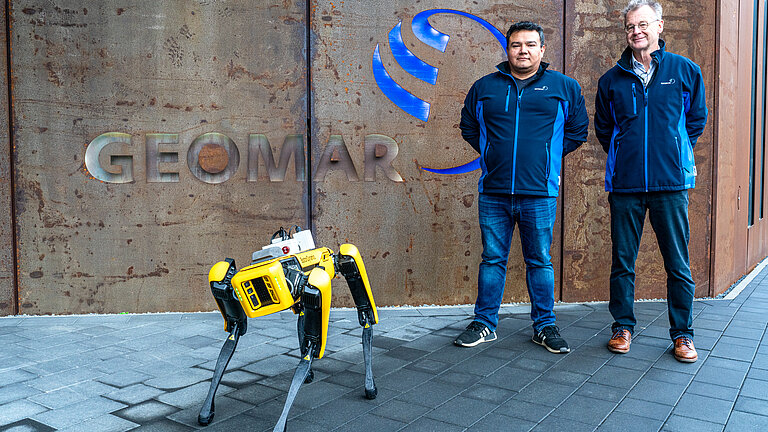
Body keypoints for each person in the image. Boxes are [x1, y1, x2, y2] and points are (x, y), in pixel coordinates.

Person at [455, 21, 589, 353]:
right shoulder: (485, 87)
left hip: (539, 193)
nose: (523, 50)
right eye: (516, 45)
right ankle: (485, 323)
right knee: (492, 259)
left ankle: (544, 326)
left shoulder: (564, 87)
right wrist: (491, 155)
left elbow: (578, 130)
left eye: (530, 44)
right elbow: (469, 126)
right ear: (507, 49)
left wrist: (547, 160)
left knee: (539, 261)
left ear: (542, 50)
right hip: (494, 191)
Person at [594, 0, 707, 362]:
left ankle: (683, 335)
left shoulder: (685, 70)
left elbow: (696, 120)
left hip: (670, 183)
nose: (636, 31)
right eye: (630, 26)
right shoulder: (611, 80)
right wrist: (628, 151)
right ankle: (622, 327)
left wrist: (671, 150)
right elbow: (604, 129)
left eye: (643, 24)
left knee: (677, 263)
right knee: (623, 261)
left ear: (660, 26)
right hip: (625, 186)